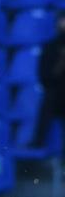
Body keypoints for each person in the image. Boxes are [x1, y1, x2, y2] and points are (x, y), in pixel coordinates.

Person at [33, 14, 65, 150]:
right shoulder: (51, 46)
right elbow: (45, 74)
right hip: (54, 90)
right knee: (48, 103)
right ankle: (37, 142)